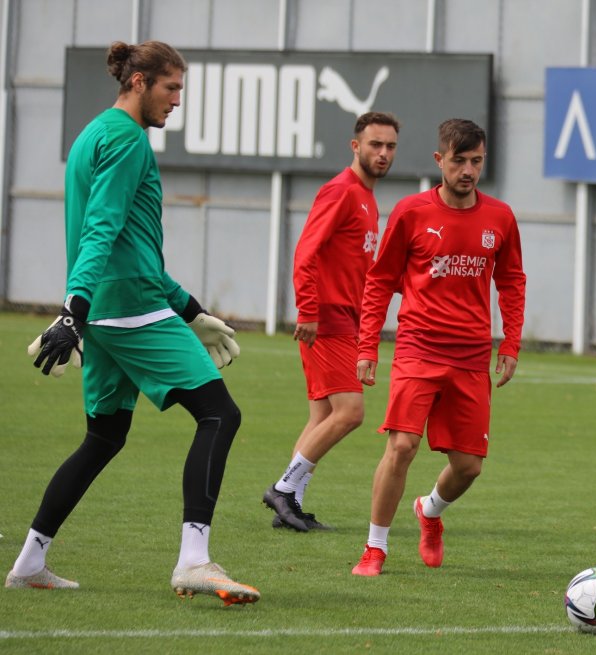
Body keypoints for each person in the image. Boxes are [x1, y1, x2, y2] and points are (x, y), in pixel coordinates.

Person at [4, 41, 259, 606]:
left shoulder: (94, 134)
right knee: (220, 414)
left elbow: (128, 243)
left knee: (103, 437)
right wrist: (73, 309)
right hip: (131, 310)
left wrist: (191, 309)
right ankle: (194, 559)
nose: (177, 101)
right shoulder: (126, 140)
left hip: (108, 313)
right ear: (139, 81)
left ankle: (30, 561)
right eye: (171, 88)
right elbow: (100, 230)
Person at [351, 118, 526, 576]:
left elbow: (511, 281)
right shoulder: (411, 213)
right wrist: (367, 346)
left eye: (477, 161)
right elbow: (379, 281)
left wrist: (510, 342)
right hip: (417, 348)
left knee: (468, 467)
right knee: (402, 445)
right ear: (439, 160)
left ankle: (429, 512)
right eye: (459, 161)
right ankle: (375, 548)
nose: (468, 170)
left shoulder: (501, 218)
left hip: (471, 357)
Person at [262, 112, 400, 532]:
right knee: (351, 412)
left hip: (345, 318)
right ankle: (284, 489)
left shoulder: (367, 197)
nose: (383, 153)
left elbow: (362, 265)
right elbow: (306, 253)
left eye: (390, 146)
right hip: (327, 318)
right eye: (375, 144)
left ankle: (292, 506)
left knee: (321, 417)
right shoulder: (340, 191)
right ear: (355, 146)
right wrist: (307, 310)